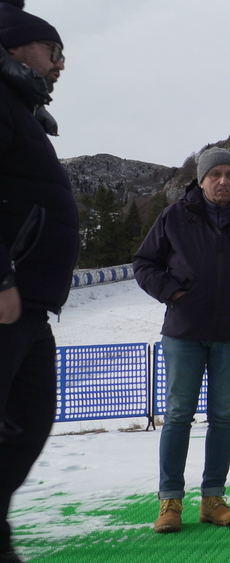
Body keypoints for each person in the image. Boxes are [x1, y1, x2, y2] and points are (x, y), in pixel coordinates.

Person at [133, 147, 230, 534]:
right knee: (177, 416)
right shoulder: (174, 216)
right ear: (201, 179)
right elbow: (144, 264)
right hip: (184, 332)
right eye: (215, 174)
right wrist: (173, 294)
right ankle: (170, 502)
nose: (223, 181)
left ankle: (213, 499)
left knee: (223, 417)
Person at [0, 3, 76, 561]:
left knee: (28, 423)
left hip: (32, 305)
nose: (60, 65)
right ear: (16, 47)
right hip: (6, 298)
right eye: (55, 52)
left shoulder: (18, 108)